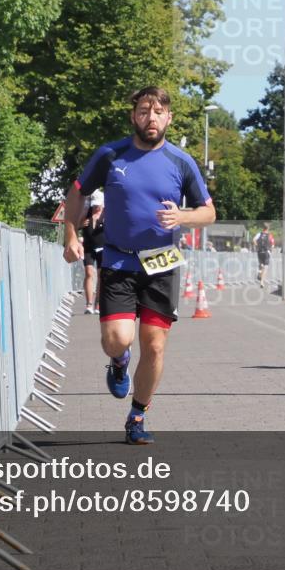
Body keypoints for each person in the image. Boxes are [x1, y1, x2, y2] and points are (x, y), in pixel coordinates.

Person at [63, 86, 216, 444]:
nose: (151, 118)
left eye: (158, 112)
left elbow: (208, 212)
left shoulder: (181, 162)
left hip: (162, 262)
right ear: (134, 116)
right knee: (116, 340)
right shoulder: (111, 154)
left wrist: (183, 217)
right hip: (119, 258)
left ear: (169, 118)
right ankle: (119, 362)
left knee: (155, 346)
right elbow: (78, 192)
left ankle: (137, 417)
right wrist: (70, 235)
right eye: (144, 111)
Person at [81, 190, 106, 314]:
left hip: (103, 248)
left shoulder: (107, 214)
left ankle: (98, 304)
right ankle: (89, 304)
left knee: (101, 275)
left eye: (98, 205)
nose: (96, 208)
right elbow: (75, 224)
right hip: (88, 247)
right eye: (94, 205)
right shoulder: (86, 212)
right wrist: (80, 223)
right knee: (89, 272)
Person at [254, 222, 275, 288]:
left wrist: (257, 246)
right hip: (266, 252)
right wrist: (271, 251)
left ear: (263, 228)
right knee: (265, 267)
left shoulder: (259, 234)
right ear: (268, 228)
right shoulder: (270, 235)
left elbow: (254, 240)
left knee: (261, 264)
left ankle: (260, 272)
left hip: (260, 251)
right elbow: (273, 245)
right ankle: (262, 282)